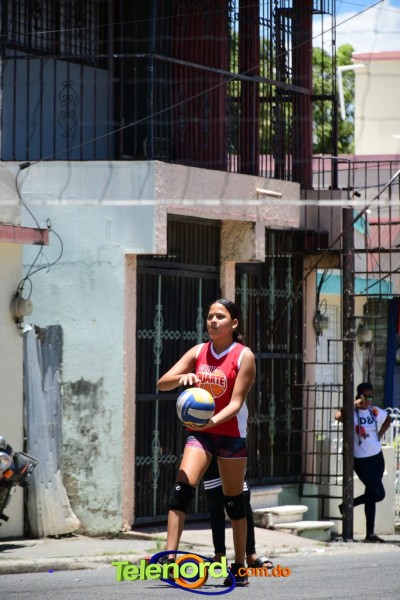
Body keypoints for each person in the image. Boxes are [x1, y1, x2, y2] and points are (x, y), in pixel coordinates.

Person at [157, 298, 256, 586]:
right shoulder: (199, 351)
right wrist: (183, 377)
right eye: (210, 316)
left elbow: (236, 403)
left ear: (233, 323)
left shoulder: (244, 356)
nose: (212, 321)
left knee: (234, 503)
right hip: (201, 434)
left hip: (231, 435)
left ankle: (239, 566)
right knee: (181, 490)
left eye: (220, 317)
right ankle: (170, 560)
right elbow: (162, 382)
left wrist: (211, 421)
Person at [335, 381, 391, 543]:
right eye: (364, 397)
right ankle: (348, 504)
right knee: (378, 493)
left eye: (370, 397)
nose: (367, 400)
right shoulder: (352, 412)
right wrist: (354, 404)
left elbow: (388, 419)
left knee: (371, 494)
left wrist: (379, 435)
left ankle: (370, 534)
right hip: (362, 460)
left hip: (377, 458)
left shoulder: (374, 411)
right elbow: (338, 416)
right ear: (358, 396)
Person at [203, 455, 273, 569]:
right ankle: (219, 555)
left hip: (231, 450)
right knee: (215, 502)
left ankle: (251, 554)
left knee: (243, 500)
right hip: (210, 451)